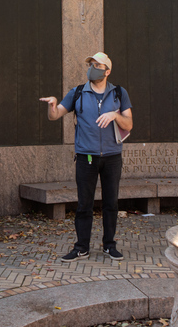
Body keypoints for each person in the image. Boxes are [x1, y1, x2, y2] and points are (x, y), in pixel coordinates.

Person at [40, 52, 133, 262]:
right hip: (86, 158)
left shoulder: (119, 93)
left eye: (97, 65)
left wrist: (115, 115)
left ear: (107, 71)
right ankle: (81, 247)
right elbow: (55, 116)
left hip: (112, 157)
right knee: (84, 204)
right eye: (90, 64)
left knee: (111, 203)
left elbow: (129, 124)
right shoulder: (78, 92)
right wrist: (52, 105)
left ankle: (109, 245)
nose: (92, 68)